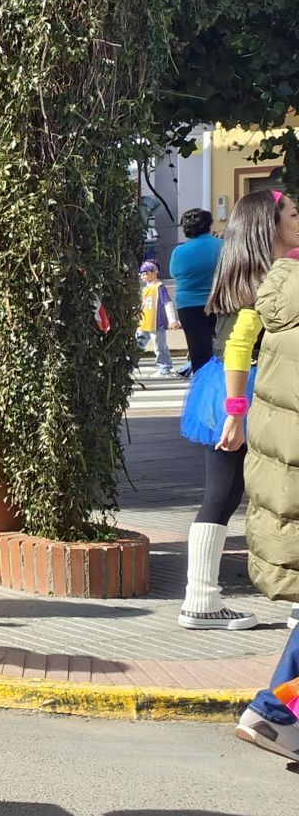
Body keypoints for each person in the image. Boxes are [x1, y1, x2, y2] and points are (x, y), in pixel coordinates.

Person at [179, 189, 297, 630]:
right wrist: (236, 410)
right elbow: (239, 346)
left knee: (224, 495)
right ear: (271, 225)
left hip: (226, 389)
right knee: (284, 494)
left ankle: (200, 599)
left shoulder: (243, 275)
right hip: (253, 393)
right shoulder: (272, 279)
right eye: (293, 213)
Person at [237, 250, 299, 758]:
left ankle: (274, 712)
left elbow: (241, 346)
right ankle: (275, 711)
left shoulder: (283, 282)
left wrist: (235, 412)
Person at [171, 209, 222, 373]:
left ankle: (201, 387)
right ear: (209, 225)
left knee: (198, 352)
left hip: (188, 306)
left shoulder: (179, 252)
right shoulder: (222, 246)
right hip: (218, 302)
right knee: (225, 348)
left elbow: (174, 273)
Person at [138, 260, 177, 378]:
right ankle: (127, 366)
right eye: (142, 273)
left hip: (156, 323)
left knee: (160, 346)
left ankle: (165, 368)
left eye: (146, 272)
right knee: (136, 344)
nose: (143, 275)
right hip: (144, 323)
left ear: (155, 272)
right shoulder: (145, 289)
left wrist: (172, 320)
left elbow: (167, 303)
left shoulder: (159, 287)